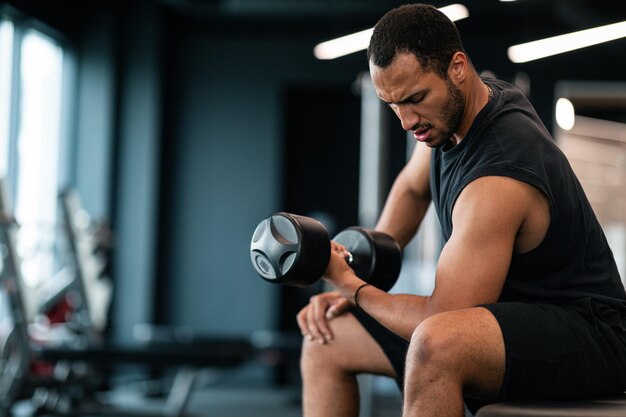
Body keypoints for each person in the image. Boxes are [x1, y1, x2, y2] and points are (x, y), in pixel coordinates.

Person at [296, 3, 626, 417]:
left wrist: (350, 286)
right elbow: (413, 190)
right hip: (511, 321)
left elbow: (443, 316)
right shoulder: (453, 115)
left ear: (457, 68)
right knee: (327, 337)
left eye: (415, 98)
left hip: (589, 336)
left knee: (439, 342)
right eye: (392, 104)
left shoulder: (499, 176)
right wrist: (363, 267)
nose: (406, 120)